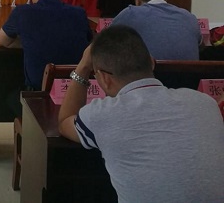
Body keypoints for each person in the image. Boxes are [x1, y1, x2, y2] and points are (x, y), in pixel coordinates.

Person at [58, 25, 224, 203]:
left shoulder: (102, 114)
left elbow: (64, 121)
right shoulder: (205, 103)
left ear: (104, 78)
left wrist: (83, 67)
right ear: (151, 62)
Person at [0, 0, 92, 92]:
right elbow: (88, 42)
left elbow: (3, 40)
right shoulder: (79, 13)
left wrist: (29, 41)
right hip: (77, 88)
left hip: (38, 91)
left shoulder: (22, 12)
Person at [111, 0, 201, 60]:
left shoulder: (130, 13)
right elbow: (200, 45)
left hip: (150, 71)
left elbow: (107, 41)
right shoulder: (189, 17)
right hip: (189, 72)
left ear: (137, 0)